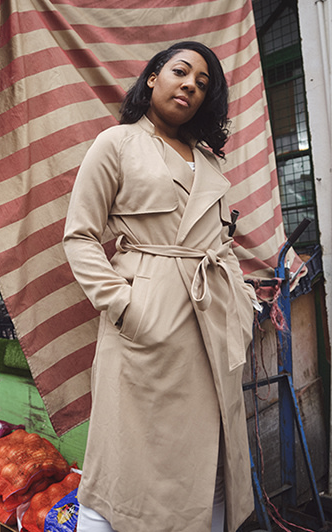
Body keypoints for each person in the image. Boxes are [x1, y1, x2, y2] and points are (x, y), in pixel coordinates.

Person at [62, 41, 257, 532]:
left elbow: (222, 244)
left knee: (206, 463)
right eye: (180, 72)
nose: (190, 84)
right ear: (153, 78)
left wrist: (244, 302)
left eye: (203, 83)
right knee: (123, 463)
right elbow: (80, 236)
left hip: (210, 325)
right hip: (146, 327)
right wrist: (125, 305)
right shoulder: (117, 143)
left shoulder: (209, 162)